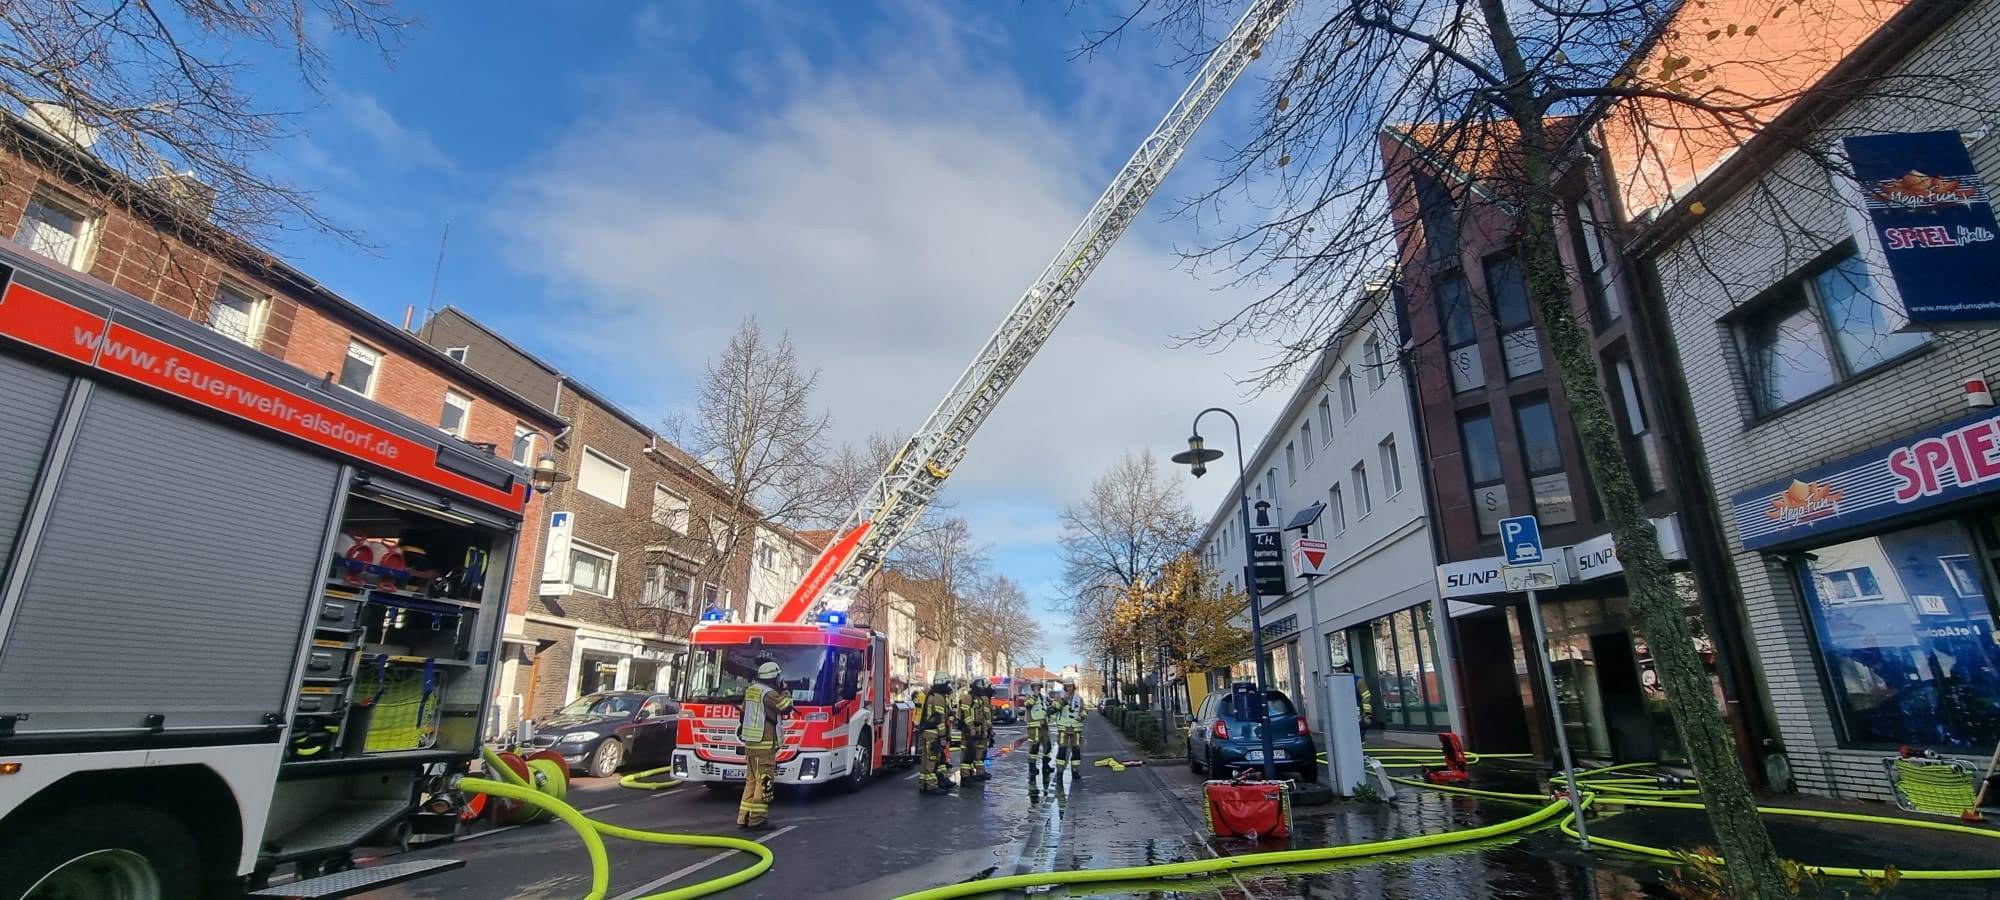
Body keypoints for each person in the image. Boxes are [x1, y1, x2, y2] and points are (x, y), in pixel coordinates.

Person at [736, 659, 793, 830]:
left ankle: (743, 817)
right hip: (764, 745)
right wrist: (786, 691)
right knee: (764, 781)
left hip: (750, 744)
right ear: (773, 678)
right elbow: (786, 707)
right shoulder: (769, 694)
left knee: (751, 781)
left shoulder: (751, 691)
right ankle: (757, 819)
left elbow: (744, 713)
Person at [918, 678, 956, 795]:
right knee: (932, 759)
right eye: (946, 683)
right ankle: (931, 786)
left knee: (929, 758)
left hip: (929, 732)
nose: (948, 686)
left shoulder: (933, 695)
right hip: (933, 733)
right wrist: (943, 736)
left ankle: (925, 784)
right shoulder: (938, 697)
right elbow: (940, 719)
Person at [1054, 679, 1085, 778]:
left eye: (1070, 686)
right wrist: (1064, 700)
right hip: (1063, 727)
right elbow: (1055, 707)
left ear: (1073, 686)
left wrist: (1081, 715)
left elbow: (1084, 710)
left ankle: (1075, 771)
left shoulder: (1078, 698)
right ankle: (1059, 771)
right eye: (1067, 686)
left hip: (1076, 727)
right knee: (1062, 749)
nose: (1069, 688)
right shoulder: (1059, 696)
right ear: (1064, 687)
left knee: (1076, 750)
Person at [965, 679, 995, 782]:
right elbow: (966, 715)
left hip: (981, 731)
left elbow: (985, 717)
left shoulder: (982, 699)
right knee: (969, 754)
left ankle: (979, 772)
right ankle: (967, 775)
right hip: (972, 731)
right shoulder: (971, 698)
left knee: (980, 753)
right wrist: (972, 728)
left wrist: (987, 730)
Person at [1023, 686, 1050, 778]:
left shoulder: (1042, 696)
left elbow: (1044, 708)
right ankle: (1032, 768)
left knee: (1048, 746)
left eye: (1039, 686)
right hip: (1034, 727)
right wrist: (1034, 695)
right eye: (1036, 686)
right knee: (1034, 747)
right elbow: (1028, 705)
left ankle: (1046, 766)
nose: (1038, 688)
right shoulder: (1029, 695)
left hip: (1043, 726)